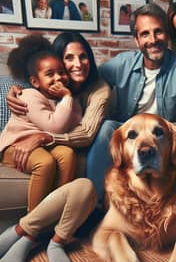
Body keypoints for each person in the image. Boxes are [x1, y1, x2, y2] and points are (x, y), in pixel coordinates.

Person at [86, 3, 176, 201]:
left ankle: (167, 195)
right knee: (106, 128)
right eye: (145, 34)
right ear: (137, 40)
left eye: (158, 32)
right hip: (130, 133)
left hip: (163, 135)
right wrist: (26, 90)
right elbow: (87, 77)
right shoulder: (123, 63)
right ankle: (92, 203)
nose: (153, 40)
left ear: (167, 35)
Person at [6, 32, 111, 182]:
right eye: (69, 57)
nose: (78, 64)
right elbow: (31, 91)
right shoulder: (50, 82)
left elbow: (86, 133)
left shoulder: (100, 90)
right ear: (58, 61)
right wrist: (13, 92)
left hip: (83, 143)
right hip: (50, 146)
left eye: (83, 56)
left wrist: (44, 137)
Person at [0, 34, 82, 212]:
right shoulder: (30, 96)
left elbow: (74, 121)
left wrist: (69, 99)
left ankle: (57, 212)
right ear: (34, 81)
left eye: (61, 72)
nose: (58, 78)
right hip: (14, 145)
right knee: (44, 162)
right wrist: (67, 97)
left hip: (43, 143)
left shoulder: (58, 98)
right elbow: (56, 126)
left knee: (67, 154)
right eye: (50, 74)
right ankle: (33, 221)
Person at [0, 178, 97, 262]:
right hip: (70, 210)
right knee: (84, 184)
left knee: (85, 187)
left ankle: (55, 241)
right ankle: (24, 231)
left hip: (89, 217)